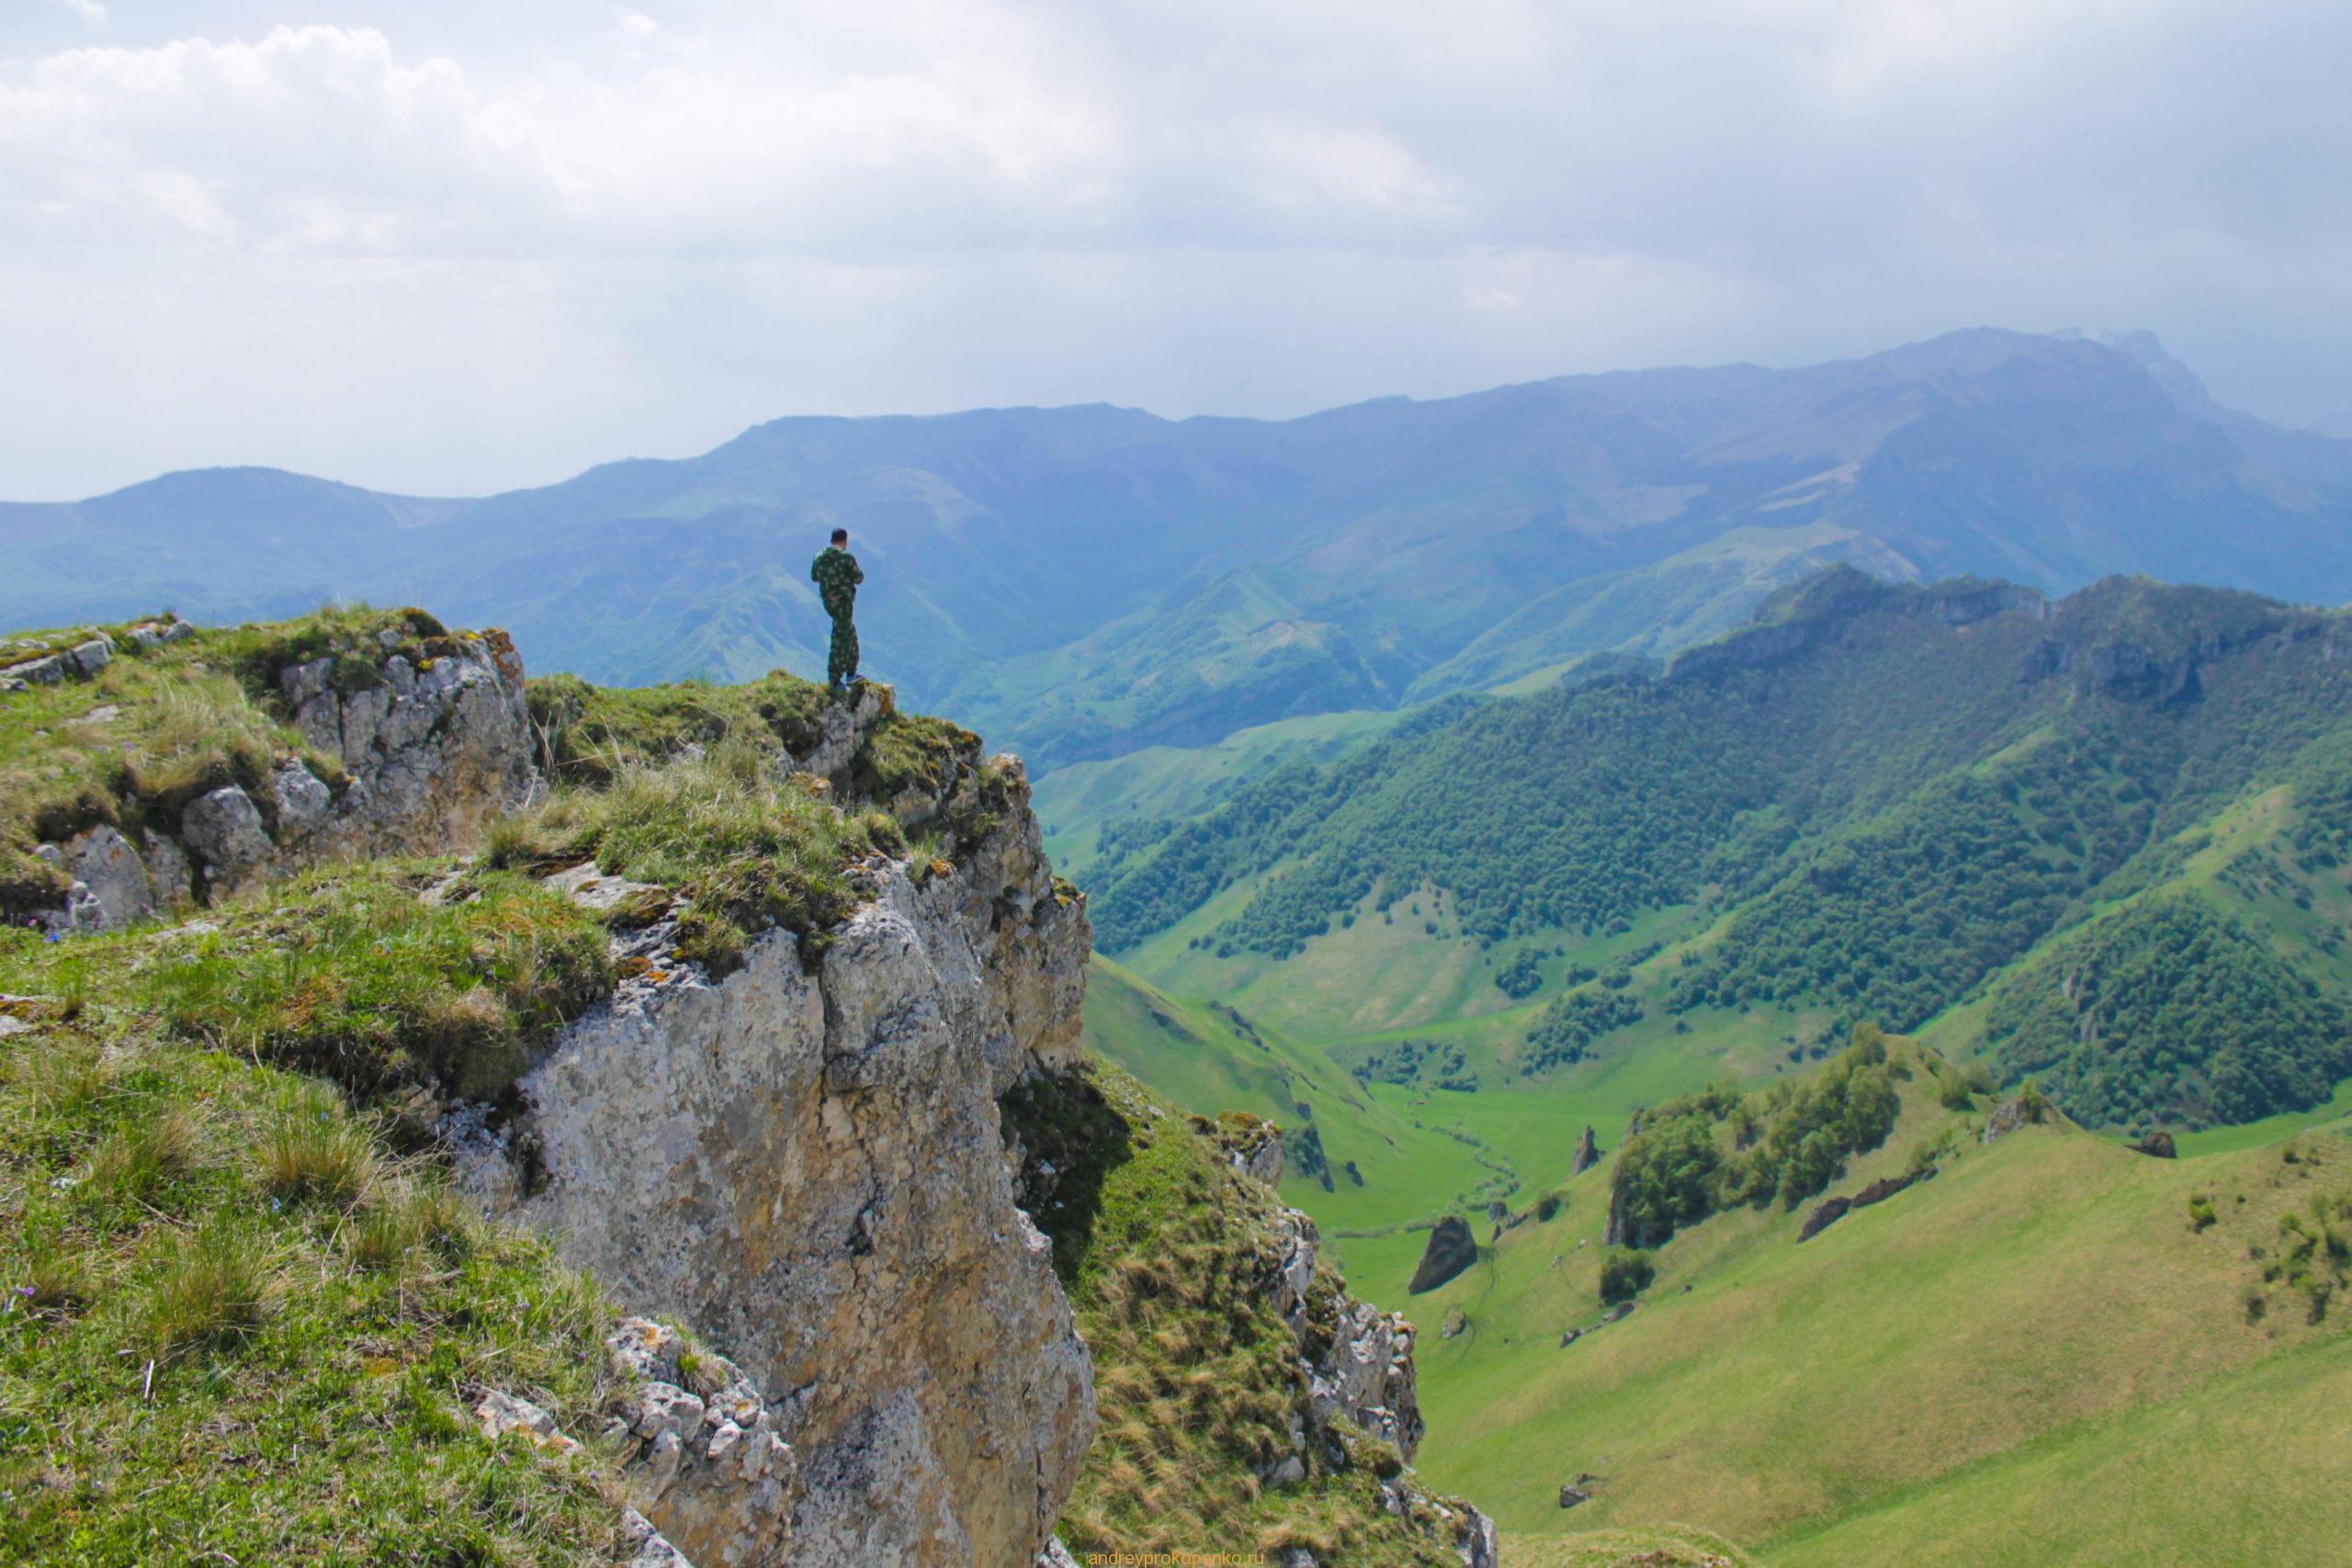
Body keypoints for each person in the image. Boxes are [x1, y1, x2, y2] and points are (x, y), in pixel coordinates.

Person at [809, 526, 865, 691]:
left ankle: (851, 672)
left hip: (829, 602)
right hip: (843, 603)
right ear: (845, 541)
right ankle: (835, 679)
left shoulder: (818, 557)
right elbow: (859, 578)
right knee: (840, 638)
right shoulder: (845, 557)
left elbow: (814, 577)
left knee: (849, 632)